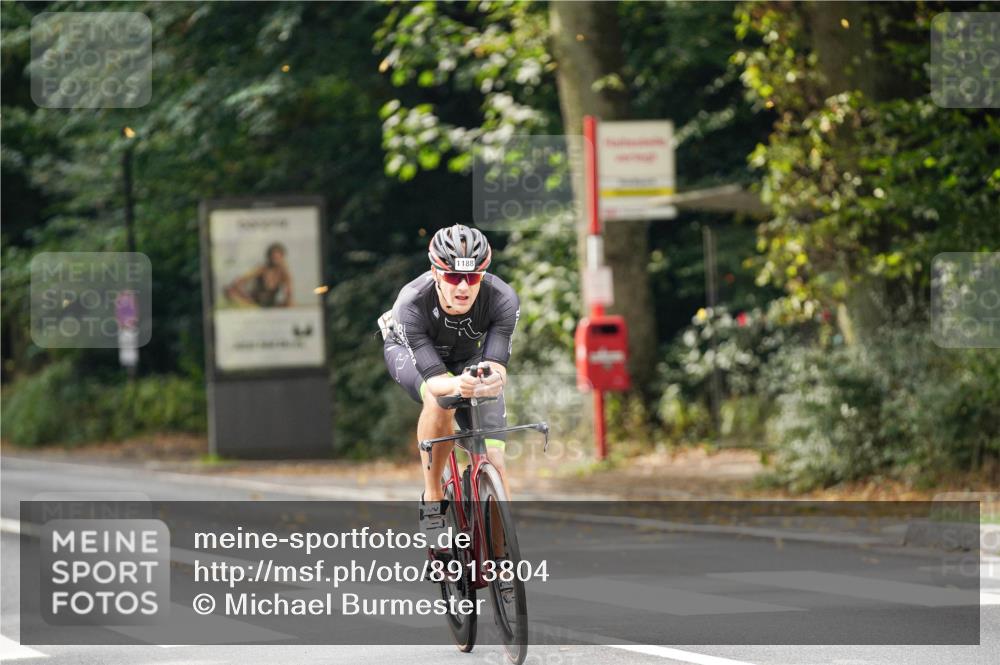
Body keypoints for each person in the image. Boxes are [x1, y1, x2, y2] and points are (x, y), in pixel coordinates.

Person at [379, 224, 519, 542]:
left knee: (495, 460)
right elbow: (437, 382)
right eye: (454, 277)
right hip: (412, 355)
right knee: (438, 399)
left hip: (467, 357)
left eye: (473, 277)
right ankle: (433, 499)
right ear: (436, 273)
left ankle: (501, 557)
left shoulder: (503, 299)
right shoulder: (411, 303)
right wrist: (458, 387)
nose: (464, 286)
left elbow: (497, 366)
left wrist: (490, 382)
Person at [224, 242, 294, 308]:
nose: (275, 259)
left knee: (291, 305)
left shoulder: (284, 272)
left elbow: (289, 293)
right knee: (229, 291)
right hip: (254, 301)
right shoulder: (261, 269)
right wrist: (244, 295)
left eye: (278, 257)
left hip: (271, 303)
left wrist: (287, 302)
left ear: (282, 257)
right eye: (273, 257)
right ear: (269, 257)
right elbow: (240, 281)